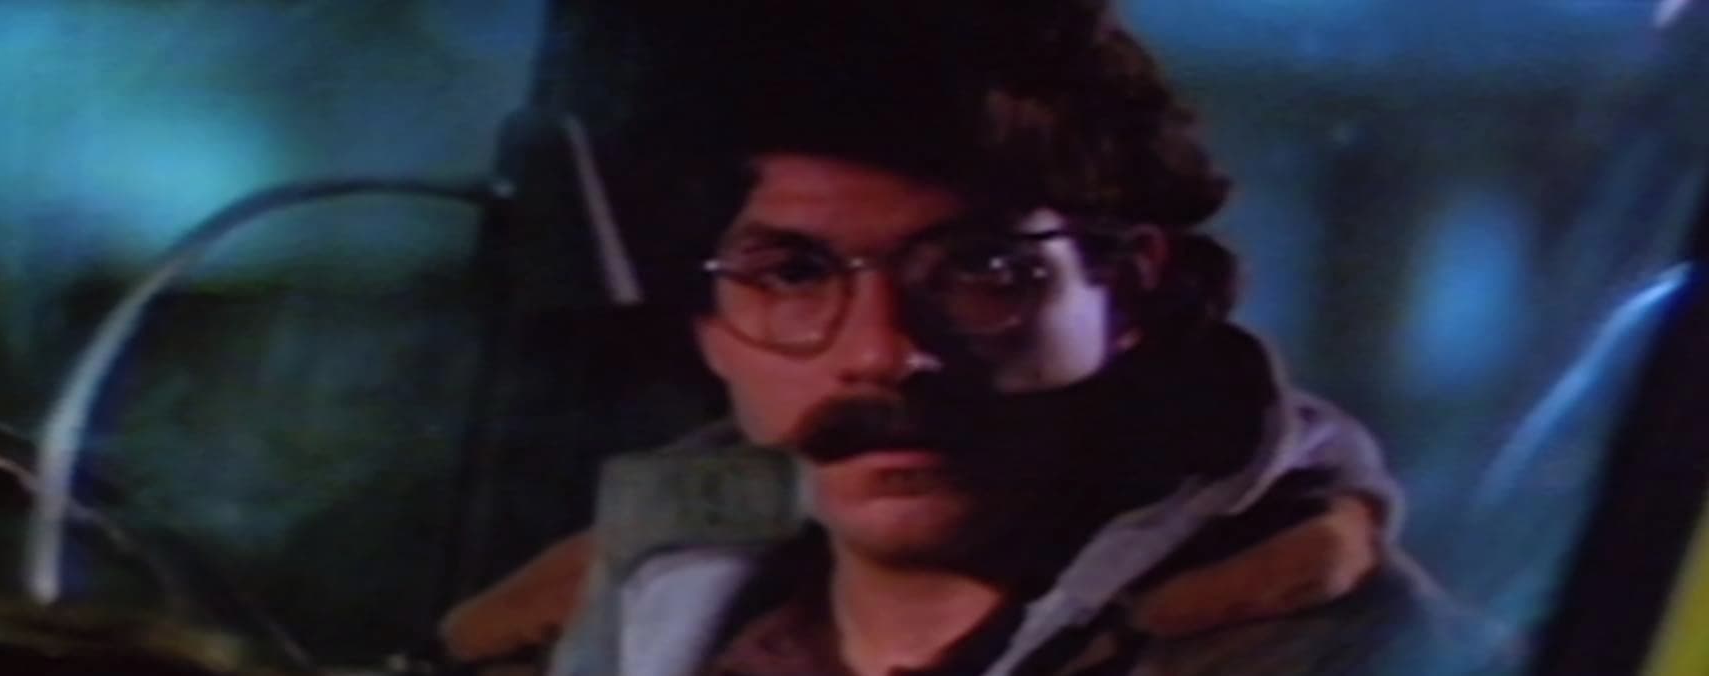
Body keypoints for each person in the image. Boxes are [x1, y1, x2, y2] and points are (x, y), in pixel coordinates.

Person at [445, 2, 1505, 674]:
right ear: (709, 328)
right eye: (793, 274)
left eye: (983, 271)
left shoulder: (1357, 656)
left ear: (1128, 290)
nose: (885, 352)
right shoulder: (610, 620)